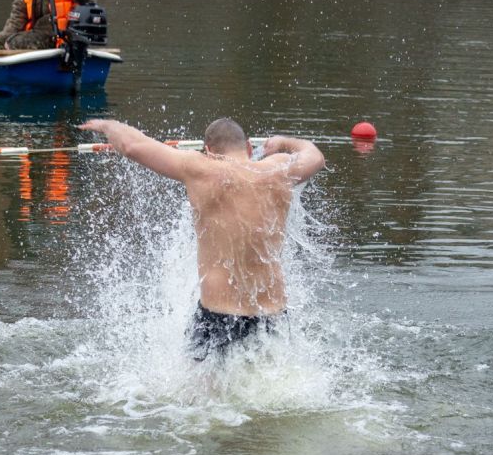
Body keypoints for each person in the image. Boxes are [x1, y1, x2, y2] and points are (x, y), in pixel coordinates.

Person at [79, 118, 325, 360]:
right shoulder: (279, 168)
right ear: (249, 149)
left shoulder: (201, 168)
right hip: (273, 317)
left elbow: (133, 146)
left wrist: (109, 125)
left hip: (219, 316)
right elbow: (314, 156)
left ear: (208, 151)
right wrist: (283, 141)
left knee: (201, 399)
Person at [0, 0, 97, 50]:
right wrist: (6, 34)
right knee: (0, 40)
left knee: (14, 43)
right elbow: (18, 14)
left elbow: (89, 7)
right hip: (36, 33)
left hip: (61, 36)